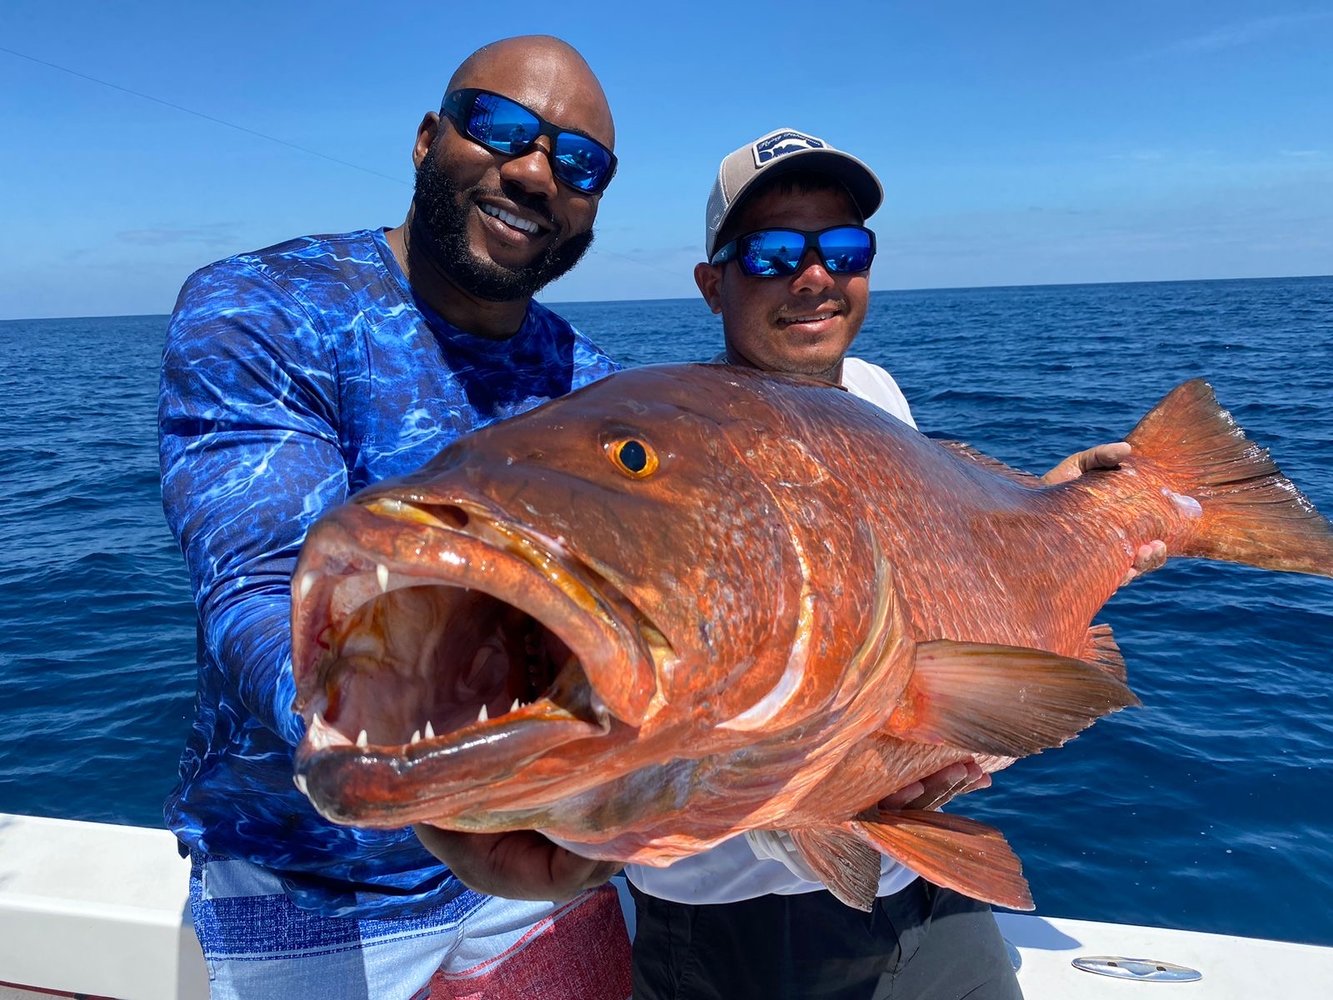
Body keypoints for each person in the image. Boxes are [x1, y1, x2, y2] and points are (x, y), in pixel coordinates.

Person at [625, 128, 1166, 1000]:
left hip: (914, 883)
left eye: (842, 249)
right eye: (769, 253)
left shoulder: (873, 395)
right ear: (710, 281)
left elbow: (934, 560)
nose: (813, 278)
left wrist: (1056, 511)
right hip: (749, 932)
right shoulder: (692, 455)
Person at [158, 35, 632, 1000]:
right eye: (500, 126)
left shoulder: (600, 396)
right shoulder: (264, 311)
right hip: (310, 893)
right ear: (427, 138)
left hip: (539, 862)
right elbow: (256, 584)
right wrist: (423, 783)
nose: (536, 171)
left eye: (579, 163)